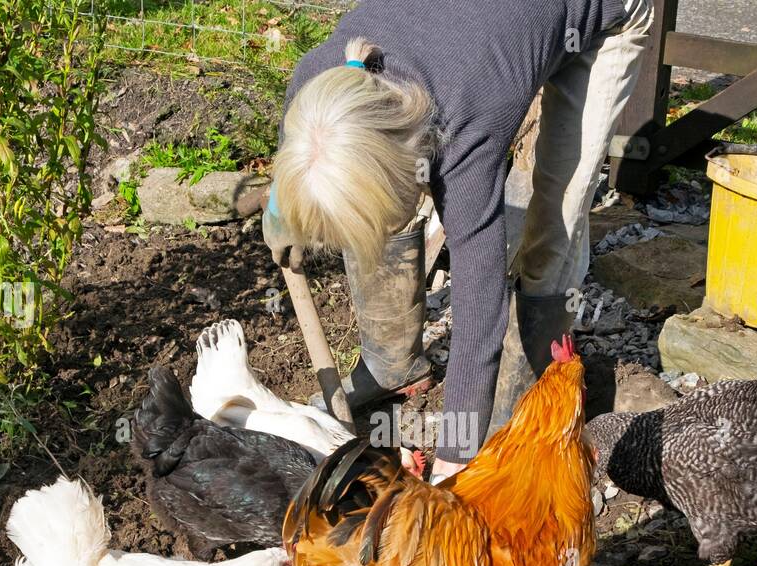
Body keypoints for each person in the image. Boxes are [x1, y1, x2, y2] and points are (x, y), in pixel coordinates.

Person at [264, 0, 654, 480]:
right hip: (486, 34)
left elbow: (478, 295)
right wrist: (282, 214)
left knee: (558, 209)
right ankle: (394, 366)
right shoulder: (317, 84)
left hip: (600, 20)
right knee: (371, 205)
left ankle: (520, 407)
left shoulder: (464, 129)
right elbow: (305, 160)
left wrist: (457, 448)